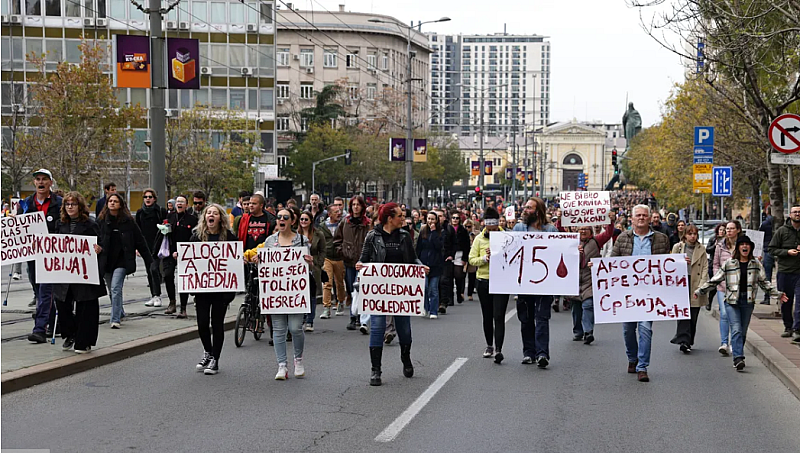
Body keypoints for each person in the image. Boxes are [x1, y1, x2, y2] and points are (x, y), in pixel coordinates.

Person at [356, 203, 428, 386]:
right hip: (379, 292)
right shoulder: (373, 236)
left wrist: (421, 267)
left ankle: (406, 357)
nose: (403, 219)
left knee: (404, 329)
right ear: (389, 218)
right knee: (378, 327)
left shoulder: (404, 236)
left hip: (401, 292)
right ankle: (376, 369)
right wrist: (360, 266)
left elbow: (412, 259)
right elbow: (364, 259)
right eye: (399, 216)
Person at [697, 235, 788, 370]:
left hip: (747, 301)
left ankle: (738, 351)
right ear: (738, 247)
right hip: (732, 301)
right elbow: (715, 280)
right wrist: (700, 291)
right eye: (742, 244)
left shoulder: (756, 264)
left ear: (750, 247)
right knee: (736, 329)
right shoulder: (729, 263)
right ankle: (739, 358)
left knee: (743, 331)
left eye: (747, 244)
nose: (744, 246)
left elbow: (764, 283)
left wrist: (777, 295)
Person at [245, 208, 314, 380]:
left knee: (296, 328)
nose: (281, 220)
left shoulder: (302, 241)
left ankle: (298, 360)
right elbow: (263, 259)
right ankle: (282, 365)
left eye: (285, 217)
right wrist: (258, 260)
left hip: (295, 294)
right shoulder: (269, 241)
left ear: (292, 221)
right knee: (279, 329)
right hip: (276, 294)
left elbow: (308, 267)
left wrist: (310, 262)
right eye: (279, 217)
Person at [611, 204, 671, 382]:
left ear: (650, 218)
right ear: (632, 218)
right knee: (628, 329)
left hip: (649, 293)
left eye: (645, 215)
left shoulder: (661, 239)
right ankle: (632, 358)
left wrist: (681, 263)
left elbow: (667, 263)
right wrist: (597, 267)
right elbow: (613, 263)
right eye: (638, 215)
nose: (642, 218)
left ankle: (642, 367)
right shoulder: (622, 238)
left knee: (645, 329)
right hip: (627, 293)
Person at [54, 192, 106, 353]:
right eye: (67, 204)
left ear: (80, 206)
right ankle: (70, 334)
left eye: (73, 204)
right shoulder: (60, 224)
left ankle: (83, 341)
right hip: (65, 273)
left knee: (86, 307)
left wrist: (98, 249)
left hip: (84, 273)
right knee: (62, 305)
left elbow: (101, 243)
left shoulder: (90, 225)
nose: (70, 207)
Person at [190, 204, 238, 375]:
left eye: (215, 213)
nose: (211, 215)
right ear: (205, 217)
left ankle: (215, 359)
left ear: (220, 218)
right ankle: (208, 352)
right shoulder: (196, 237)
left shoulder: (229, 238)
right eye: (208, 213)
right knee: (202, 323)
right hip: (202, 289)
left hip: (221, 291)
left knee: (217, 324)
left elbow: (235, 262)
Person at [512, 197, 557, 367]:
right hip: (524, 282)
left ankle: (542, 353)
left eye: (529, 207)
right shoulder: (518, 228)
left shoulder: (550, 230)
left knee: (542, 317)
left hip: (544, 282)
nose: (525, 210)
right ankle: (528, 352)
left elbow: (558, 253)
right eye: (525, 207)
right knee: (526, 317)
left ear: (538, 211)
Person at [20, 169, 63, 343]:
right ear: (34, 183)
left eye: (44, 179)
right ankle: (53, 323)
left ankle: (39, 329)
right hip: (33, 255)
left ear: (50, 183)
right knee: (38, 290)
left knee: (46, 291)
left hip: (52, 255)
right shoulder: (26, 204)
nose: (41, 182)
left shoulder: (59, 203)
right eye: (38, 179)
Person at [98, 193, 152, 329]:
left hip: (122, 261)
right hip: (106, 261)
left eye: (115, 201)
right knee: (111, 290)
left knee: (116, 288)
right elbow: (94, 238)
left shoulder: (128, 222)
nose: (112, 203)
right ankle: (120, 311)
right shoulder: (101, 221)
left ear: (120, 204)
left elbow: (140, 241)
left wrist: (149, 260)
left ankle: (115, 319)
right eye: (110, 201)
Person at [469, 207, 507, 362]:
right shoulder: (479, 239)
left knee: (499, 316)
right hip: (484, 280)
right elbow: (472, 259)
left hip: (501, 281)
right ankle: (489, 345)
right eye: (489, 229)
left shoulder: (505, 237)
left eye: (494, 229)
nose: (492, 232)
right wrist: (484, 258)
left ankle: (499, 349)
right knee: (487, 315)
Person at [152, 195, 197, 318]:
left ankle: (183, 308)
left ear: (186, 205)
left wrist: (183, 251)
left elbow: (195, 238)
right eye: (178, 201)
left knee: (184, 280)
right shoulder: (170, 217)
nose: (179, 204)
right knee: (167, 276)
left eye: (182, 202)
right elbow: (165, 235)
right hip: (170, 252)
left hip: (185, 254)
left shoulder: (192, 219)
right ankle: (172, 302)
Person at [574, 216, 614, 344]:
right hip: (574, 280)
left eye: (586, 229)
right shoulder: (571, 242)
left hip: (589, 279)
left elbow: (608, 233)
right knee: (576, 308)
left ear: (591, 231)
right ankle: (578, 331)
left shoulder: (596, 241)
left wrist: (610, 221)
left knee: (588, 305)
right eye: (581, 229)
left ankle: (588, 332)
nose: (583, 231)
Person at [333, 196, 371, 331]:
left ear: (362, 207)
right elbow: (337, 240)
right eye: (353, 204)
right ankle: (354, 315)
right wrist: (343, 252)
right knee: (351, 289)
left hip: (364, 263)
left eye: (358, 204)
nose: (356, 207)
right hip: (349, 262)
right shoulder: (345, 222)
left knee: (359, 288)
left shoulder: (368, 224)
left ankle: (357, 317)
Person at [670, 224, 708, 353]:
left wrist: (702, 286)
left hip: (695, 283)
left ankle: (688, 340)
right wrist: (680, 261)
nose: (692, 236)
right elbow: (670, 264)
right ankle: (683, 340)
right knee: (682, 313)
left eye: (695, 234)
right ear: (685, 235)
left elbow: (704, 268)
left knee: (693, 313)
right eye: (690, 234)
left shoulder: (702, 249)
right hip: (682, 282)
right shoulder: (678, 247)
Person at [767, 205, 800, 342]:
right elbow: (772, 249)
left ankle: (798, 329)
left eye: (799, 212)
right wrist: (787, 252)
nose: (798, 214)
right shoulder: (782, 231)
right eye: (795, 212)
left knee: (799, 302)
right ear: (790, 215)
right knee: (786, 300)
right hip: (785, 271)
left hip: (799, 272)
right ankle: (788, 327)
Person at [136, 188, 168, 308]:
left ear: (154, 199)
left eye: (150, 197)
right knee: (149, 271)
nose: (147, 199)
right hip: (145, 246)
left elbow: (166, 226)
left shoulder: (160, 211)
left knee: (154, 269)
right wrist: (137, 247)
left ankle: (157, 295)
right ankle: (153, 296)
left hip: (158, 245)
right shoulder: (140, 213)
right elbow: (137, 230)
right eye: (145, 197)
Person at [714, 221, 741, 355]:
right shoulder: (720, 245)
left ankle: (733, 343)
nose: (728, 231)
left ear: (738, 230)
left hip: (739, 286)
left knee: (735, 316)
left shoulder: (743, 245)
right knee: (724, 314)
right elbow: (715, 264)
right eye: (727, 229)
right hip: (723, 286)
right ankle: (724, 343)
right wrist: (718, 278)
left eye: (731, 229)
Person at [298, 211, 326, 332]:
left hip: (313, 268)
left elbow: (323, 250)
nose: (303, 221)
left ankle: (310, 320)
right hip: (298, 268)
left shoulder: (318, 234)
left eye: (306, 219)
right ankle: (302, 317)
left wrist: (317, 263)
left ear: (310, 221)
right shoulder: (295, 234)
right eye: (301, 219)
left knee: (312, 295)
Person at [319, 205, 347, 318]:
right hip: (327, 257)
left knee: (340, 283)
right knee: (327, 282)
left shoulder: (343, 225)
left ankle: (340, 302)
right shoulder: (322, 226)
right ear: (329, 214)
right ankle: (326, 308)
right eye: (336, 212)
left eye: (339, 211)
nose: (338, 213)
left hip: (339, 257)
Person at [416, 212, 444, 318]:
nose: (430, 221)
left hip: (435, 264)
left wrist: (433, 232)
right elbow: (418, 248)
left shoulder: (440, 232)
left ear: (436, 220)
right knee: (425, 287)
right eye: (429, 219)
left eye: (432, 219)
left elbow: (439, 246)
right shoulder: (422, 231)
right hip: (424, 264)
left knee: (433, 289)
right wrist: (417, 262)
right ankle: (425, 308)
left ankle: (433, 311)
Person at [437, 209, 457, 313]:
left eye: (440, 216)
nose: (439, 218)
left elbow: (454, 243)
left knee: (444, 280)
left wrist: (451, 256)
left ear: (444, 217)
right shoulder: (431, 229)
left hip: (446, 258)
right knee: (435, 282)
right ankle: (436, 302)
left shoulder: (449, 229)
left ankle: (443, 303)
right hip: (435, 259)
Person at [451, 211, 471, 304]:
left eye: (457, 218)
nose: (455, 220)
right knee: (448, 277)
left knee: (458, 275)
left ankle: (460, 293)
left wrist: (464, 259)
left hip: (460, 254)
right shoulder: (448, 229)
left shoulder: (463, 230)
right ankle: (449, 298)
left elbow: (467, 245)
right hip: (450, 254)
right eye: (453, 218)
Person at [759, 209, 775, 305]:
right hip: (780, 251)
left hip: (768, 249)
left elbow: (760, 237)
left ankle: (767, 297)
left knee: (767, 275)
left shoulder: (765, 224)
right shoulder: (781, 223)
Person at [464, 219, 478, 301]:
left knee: (472, 275)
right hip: (464, 255)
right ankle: (461, 293)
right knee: (461, 275)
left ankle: (470, 293)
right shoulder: (462, 234)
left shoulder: (476, 235)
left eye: (469, 227)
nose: (467, 228)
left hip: (472, 255)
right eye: (466, 227)